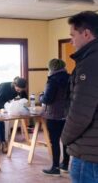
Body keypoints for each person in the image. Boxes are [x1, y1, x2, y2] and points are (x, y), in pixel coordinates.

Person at [61, 11, 98, 183]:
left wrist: (65, 138)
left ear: (86, 34)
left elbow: (80, 113)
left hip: (88, 154)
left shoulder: (90, 64)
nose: (71, 41)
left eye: (73, 35)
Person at [39, 59, 70, 176]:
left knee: (55, 142)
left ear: (51, 68)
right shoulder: (70, 77)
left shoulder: (52, 80)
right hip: (68, 114)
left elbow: (48, 99)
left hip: (54, 116)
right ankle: (65, 164)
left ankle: (55, 167)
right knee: (66, 140)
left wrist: (41, 96)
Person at [0, 77, 27, 153]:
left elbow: (24, 98)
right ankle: (0, 142)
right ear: (14, 85)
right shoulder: (4, 87)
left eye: (21, 90)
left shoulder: (21, 89)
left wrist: (18, 102)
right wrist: (7, 107)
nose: (20, 91)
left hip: (5, 102)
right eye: (18, 89)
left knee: (0, 121)